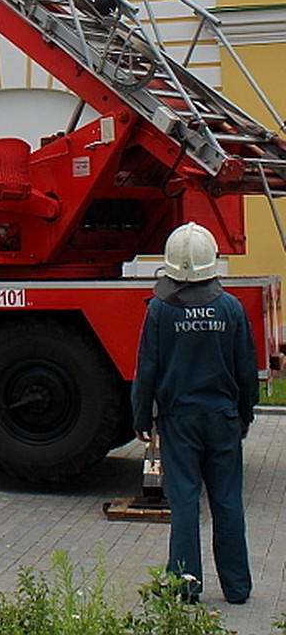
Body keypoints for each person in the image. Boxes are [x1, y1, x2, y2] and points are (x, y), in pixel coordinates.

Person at [131, 222, 258, 604]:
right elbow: (245, 369)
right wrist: (245, 415)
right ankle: (237, 588)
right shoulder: (231, 308)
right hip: (222, 418)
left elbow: (147, 370)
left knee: (185, 502)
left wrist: (141, 418)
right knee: (227, 501)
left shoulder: (159, 311)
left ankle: (184, 586)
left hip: (179, 421)